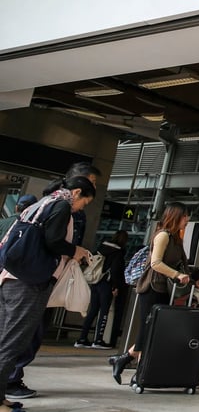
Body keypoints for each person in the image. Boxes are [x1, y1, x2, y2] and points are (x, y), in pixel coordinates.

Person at [7, 162, 100, 400]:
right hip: (31, 280)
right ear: (77, 188)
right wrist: (75, 250)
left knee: (11, 335)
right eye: (85, 200)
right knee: (15, 338)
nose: (81, 209)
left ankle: (7, 385)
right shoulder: (61, 206)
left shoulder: (43, 203)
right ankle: (8, 384)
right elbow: (53, 241)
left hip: (14, 276)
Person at [110, 203, 192, 384]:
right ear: (176, 216)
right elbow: (155, 263)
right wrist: (177, 275)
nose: (187, 220)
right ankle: (139, 373)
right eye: (185, 216)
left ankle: (125, 361)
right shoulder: (163, 235)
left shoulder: (176, 238)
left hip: (164, 288)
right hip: (152, 287)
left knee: (153, 331)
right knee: (150, 330)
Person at [75, 230, 128, 349]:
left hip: (95, 281)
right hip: (107, 284)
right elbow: (115, 270)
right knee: (104, 311)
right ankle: (98, 339)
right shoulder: (118, 253)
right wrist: (115, 286)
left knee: (92, 310)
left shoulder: (101, 247)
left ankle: (82, 338)